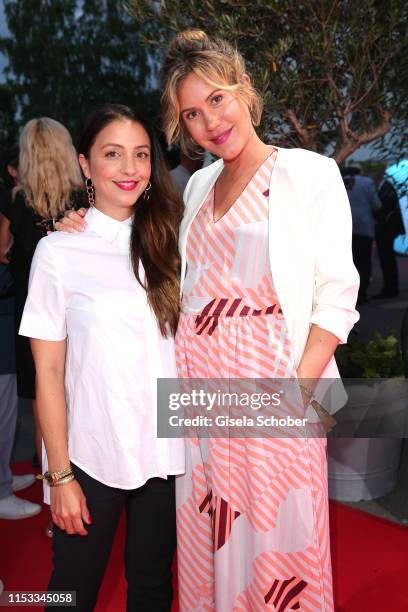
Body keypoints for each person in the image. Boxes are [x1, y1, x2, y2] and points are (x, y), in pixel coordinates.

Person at [57, 32, 359, 611]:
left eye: (217, 100)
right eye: (191, 114)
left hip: (277, 398)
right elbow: (146, 250)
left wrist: (298, 393)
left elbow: (337, 296)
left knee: (278, 559)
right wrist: (77, 226)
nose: (210, 123)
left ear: (243, 88)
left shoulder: (308, 173)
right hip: (196, 406)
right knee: (208, 548)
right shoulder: (195, 185)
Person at [19, 104, 184, 611]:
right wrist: (59, 477)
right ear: (85, 164)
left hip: (164, 452)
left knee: (154, 588)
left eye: (140, 155)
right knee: (72, 594)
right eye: (113, 155)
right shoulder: (58, 252)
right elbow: (46, 373)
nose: (130, 169)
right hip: (90, 455)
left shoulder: (172, 240)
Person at [0, 119, 84, 486]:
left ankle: (56, 500)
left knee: (42, 405)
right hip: (78, 317)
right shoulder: (85, 200)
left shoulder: (14, 202)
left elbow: (3, 253)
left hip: (32, 318)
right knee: (78, 402)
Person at [0, 149, 41, 520]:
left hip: (14, 312)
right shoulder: (11, 203)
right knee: (7, 407)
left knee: (11, 407)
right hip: (9, 313)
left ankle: (5, 481)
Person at [342, 164, 381, 304]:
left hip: (344, 229)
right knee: (364, 262)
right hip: (364, 228)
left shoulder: (340, 181)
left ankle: (348, 295)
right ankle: (362, 294)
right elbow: (376, 204)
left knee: (349, 263)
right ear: (360, 171)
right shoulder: (367, 182)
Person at [373, 176, 405, 299]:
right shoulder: (387, 187)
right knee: (387, 259)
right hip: (388, 229)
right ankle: (390, 287)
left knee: (387, 259)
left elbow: (384, 210)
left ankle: (390, 288)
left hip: (386, 229)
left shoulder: (386, 188)